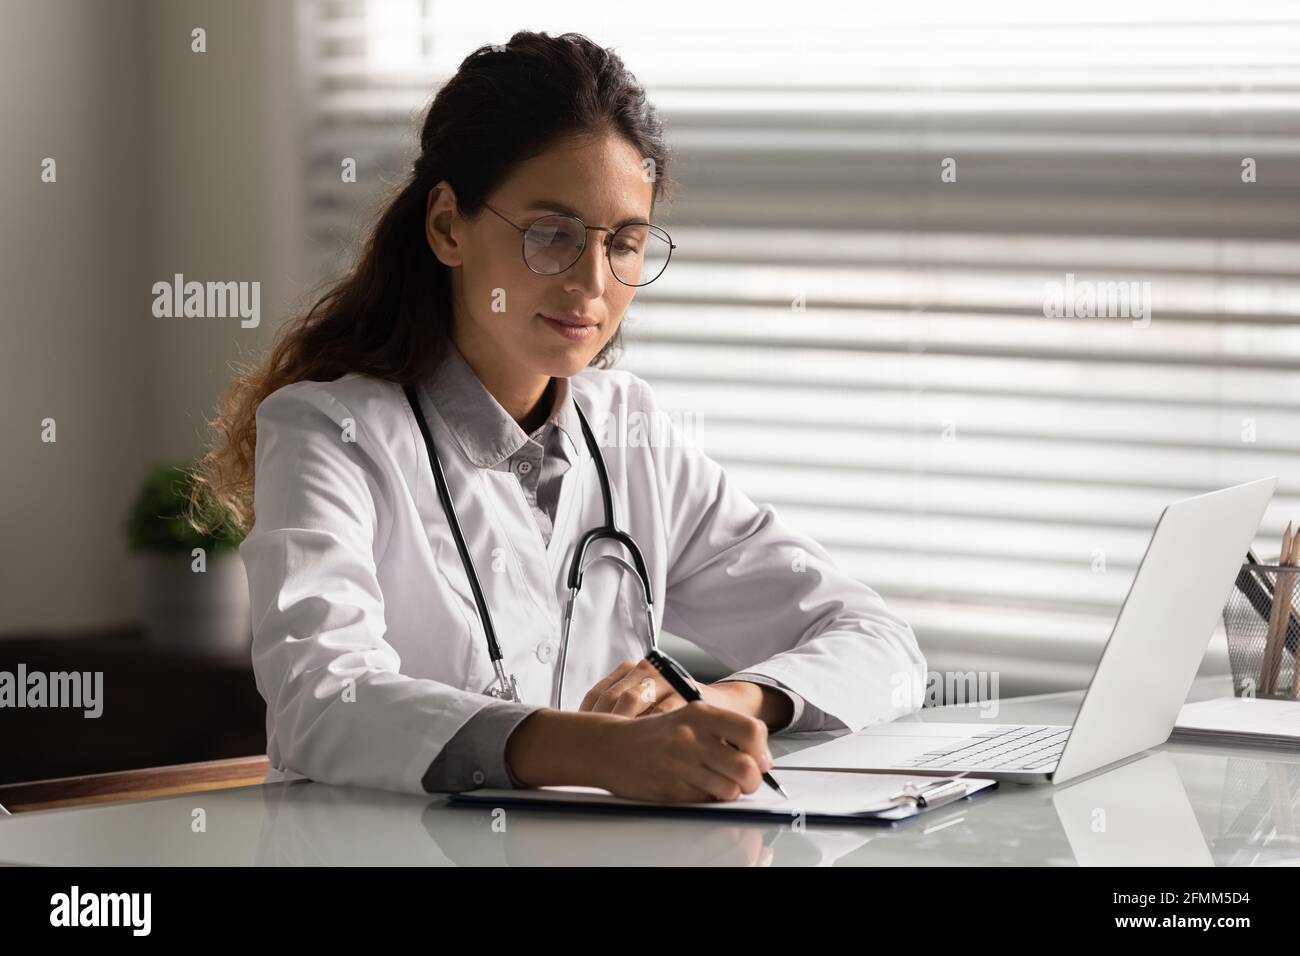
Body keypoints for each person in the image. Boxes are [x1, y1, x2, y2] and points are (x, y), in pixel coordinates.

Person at [193, 30, 925, 804]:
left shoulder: (628, 430)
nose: (593, 282)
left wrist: (727, 701)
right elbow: (322, 699)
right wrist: (597, 751)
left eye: (625, 244)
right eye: (552, 235)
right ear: (447, 226)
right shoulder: (328, 431)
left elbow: (882, 645)